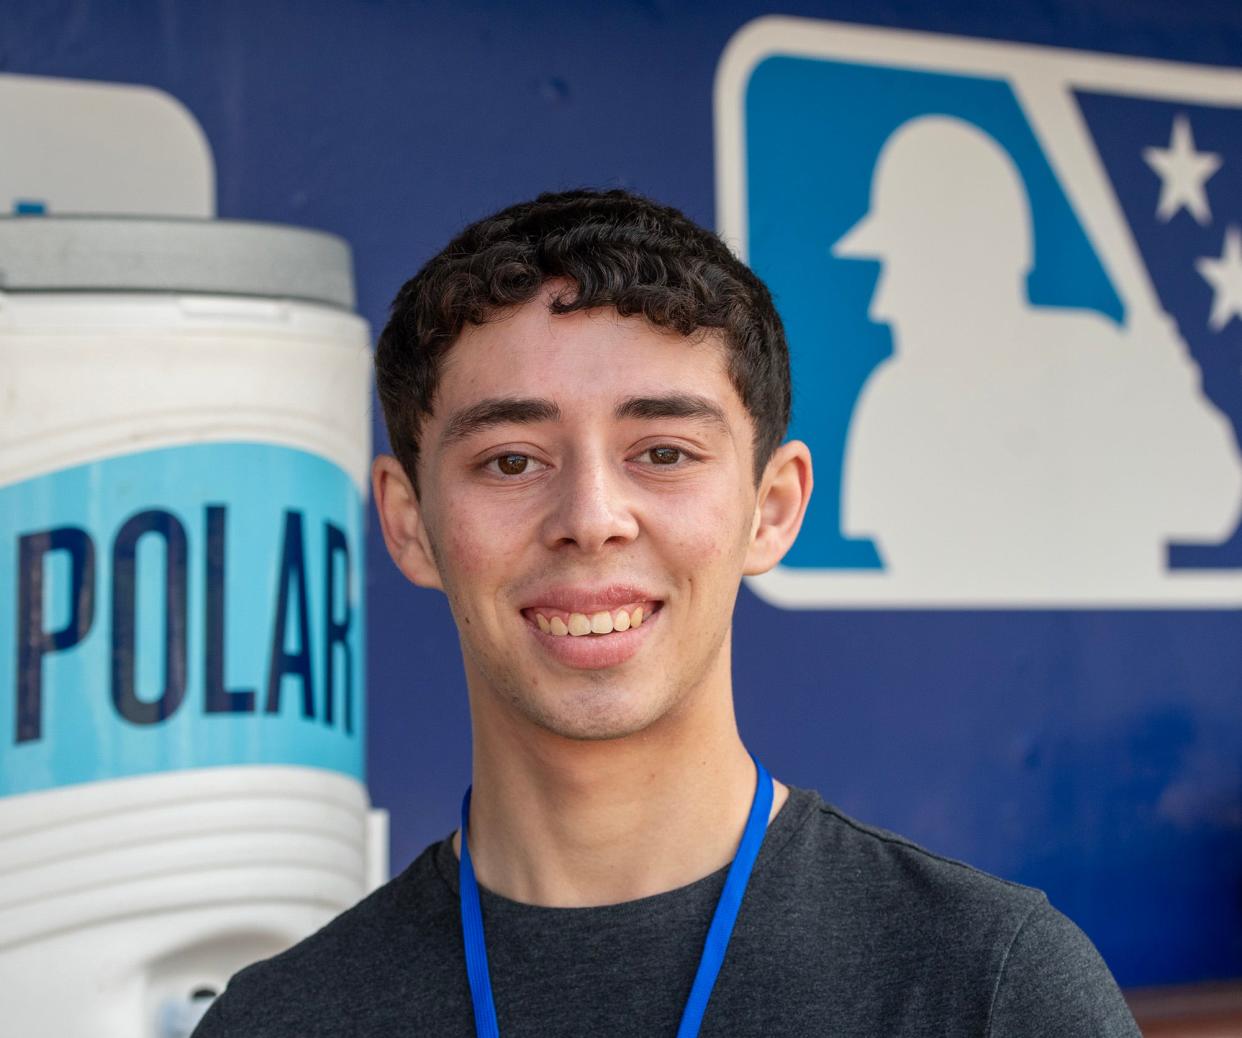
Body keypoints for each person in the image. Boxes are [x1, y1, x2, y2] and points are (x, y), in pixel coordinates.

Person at [193, 188, 1139, 1037]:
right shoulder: (280, 1022)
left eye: (665, 452)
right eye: (513, 461)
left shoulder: (990, 990)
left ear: (771, 508)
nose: (591, 520)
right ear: (409, 523)